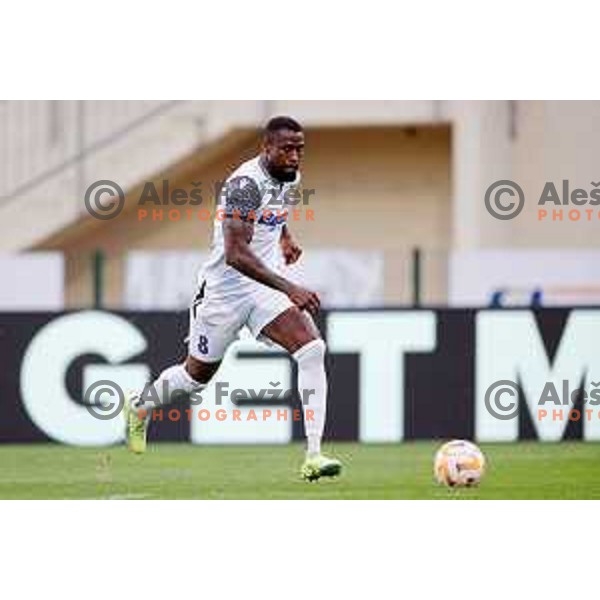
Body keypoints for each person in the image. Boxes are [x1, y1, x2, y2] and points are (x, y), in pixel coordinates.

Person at [124, 116, 342, 481]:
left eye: (299, 149)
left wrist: (285, 237)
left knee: (311, 349)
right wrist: (290, 287)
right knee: (196, 377)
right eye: (286, 149)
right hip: (223, 293)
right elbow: (235, 254)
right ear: (266, 148)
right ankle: (140, 407)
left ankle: (314, 456)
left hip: (262, 290)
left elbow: (275, 211)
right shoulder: (244, 185)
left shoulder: (290, 177)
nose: (294, 157)